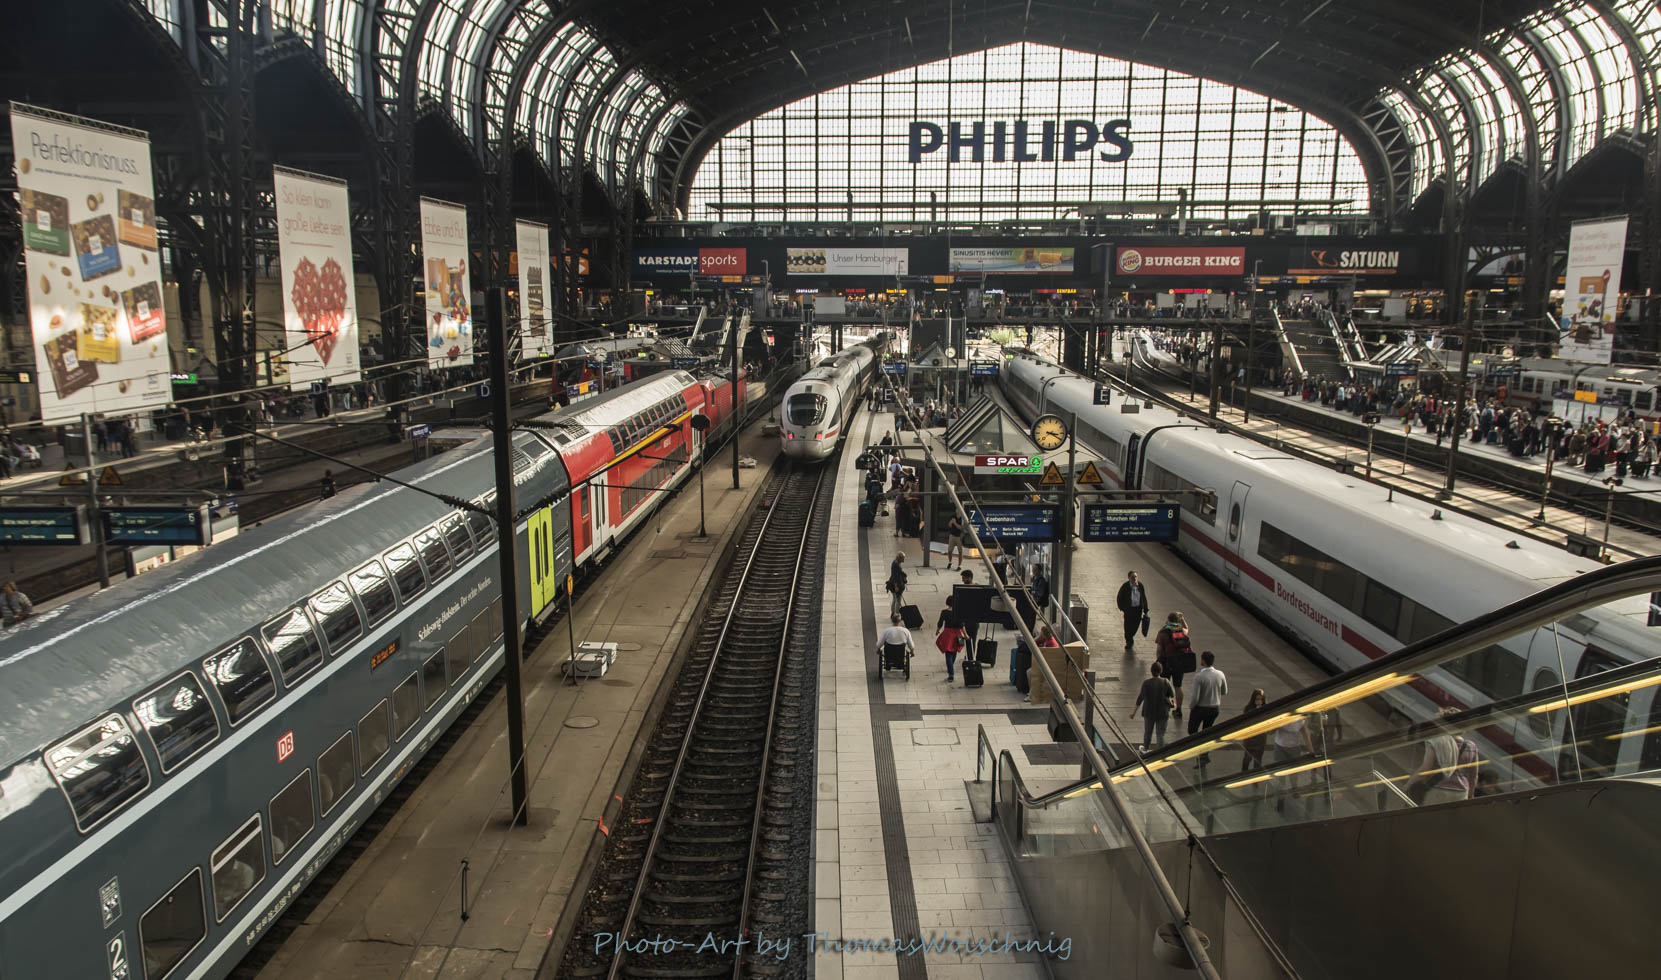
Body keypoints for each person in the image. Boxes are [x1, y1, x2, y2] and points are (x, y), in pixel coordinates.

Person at [1409, 709, 1477, 806]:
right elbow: (1473, 776)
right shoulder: (1471, 746)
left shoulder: (1437, 742)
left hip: (1438, 790)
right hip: (1461, 793)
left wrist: (1408, 785)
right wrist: (1470, 796)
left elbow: (1426, 769)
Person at [1186, 651, 1228, 763]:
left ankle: (1199, 751)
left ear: (1203, 661)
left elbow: (1195, 697)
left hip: (1200, 708)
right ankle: (1204, 754)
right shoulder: (1220, 674)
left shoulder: (1199, 677)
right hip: (1214, 708)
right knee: (1207, 731)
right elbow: (1224, 691)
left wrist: (1191, 706)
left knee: (1192, 730)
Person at [1154, 612, 1194, 719]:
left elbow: (1159, 650)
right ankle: (1179, 709)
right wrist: (1182, 619)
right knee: (1178, 686)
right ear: (1178, 621)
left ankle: (1163, 707)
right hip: (1179, 663)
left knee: (1164, 685)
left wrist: (1158, 661)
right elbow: (1187, 628)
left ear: (1168, 620)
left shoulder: (1163, 632)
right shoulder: (1182, 631)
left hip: (1166, 662)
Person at [1130, 662, 1176, 751]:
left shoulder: (1146, 683)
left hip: (1149, 711)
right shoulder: (1166, 682)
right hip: (1163, 712)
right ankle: (1160, 751)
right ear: (1161, 671)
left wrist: (1133, 713)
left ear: (1151, 671)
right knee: (1160, 734)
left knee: (1148, 732)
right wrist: (1173, 703)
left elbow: (1140, 698)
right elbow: (1172, 695)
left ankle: (1145, 748)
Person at [1116, 571, 1148, 653]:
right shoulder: (1125, 586)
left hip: (1138, 610)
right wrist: (1123, 608)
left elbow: (1143, 597)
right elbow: (1119, 597)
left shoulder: (1140, 585)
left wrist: (1146, 609)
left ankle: (1130, 636)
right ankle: (1129, 641)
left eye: (1136, 577)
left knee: (1136, 625)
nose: (1135, 579)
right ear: (1129, 578)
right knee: (1127, 626)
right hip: (1129, 610)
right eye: (1133, 577)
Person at [935, 596, 965, 683]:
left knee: (948, 653)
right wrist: (965, 635)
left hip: (948, 634)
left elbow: (940, 623)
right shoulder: (958, 612)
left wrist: (937, 631)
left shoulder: (944, 612)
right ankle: (951, 666)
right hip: (957, 634)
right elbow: (961, 625)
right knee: (954, 651)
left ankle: (951, 674)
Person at [1239, 689, 1269, 773]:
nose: (1259, 702)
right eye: (1257, 699)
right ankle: (1244, 773)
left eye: (1261, 700)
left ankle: (1255, 778)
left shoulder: (1266, 709)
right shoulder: (1248, 709)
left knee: (1258, 760)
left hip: (1260, 739)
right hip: (1250, 738)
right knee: (1247, 758)